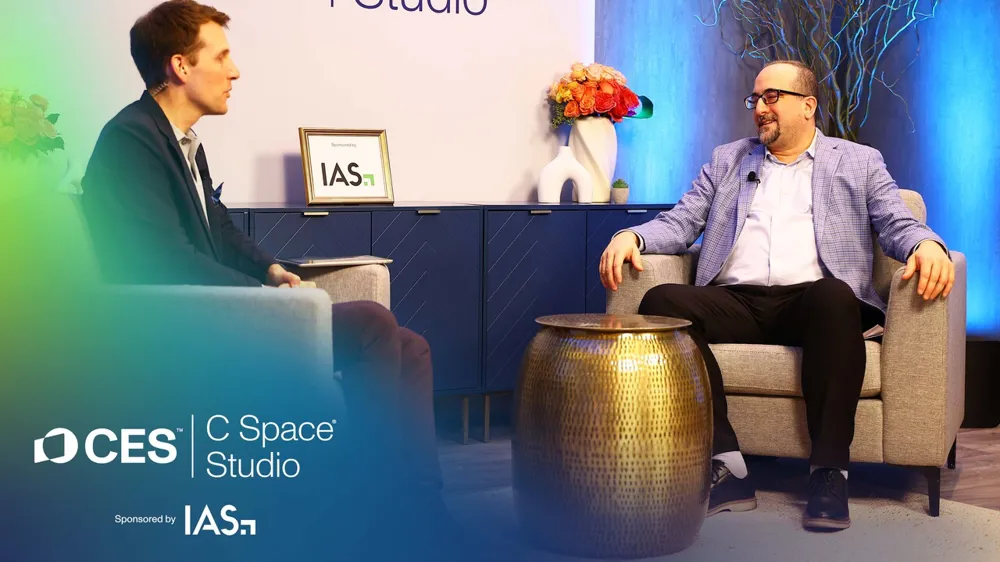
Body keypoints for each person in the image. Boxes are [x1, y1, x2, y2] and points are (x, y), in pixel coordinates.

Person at [80, 1, 460, 558]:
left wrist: (271, 270)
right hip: (181, 327)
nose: (235, 71)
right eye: (222, 56)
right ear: (180, 66)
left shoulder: (181, 141)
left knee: (412, 346)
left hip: (216, 313)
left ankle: (422, 506)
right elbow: (166, 259)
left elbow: (220, 229)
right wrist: (265, 301)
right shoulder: (130, 140)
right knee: (374, 324)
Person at [599, 60, 954, 531]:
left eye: (772, 97)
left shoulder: (858, 161)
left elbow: (896, 221)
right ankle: (727, 465)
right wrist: (634, 236)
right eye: (756, 99)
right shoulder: (728, 160)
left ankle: (829, 473)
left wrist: (926, 244)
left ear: (808, 106)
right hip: (737, 300)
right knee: (662, 303)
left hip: (813, 303)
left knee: (834, 296)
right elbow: (682, 221)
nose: (760, 108)